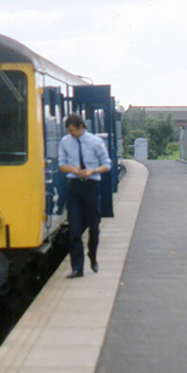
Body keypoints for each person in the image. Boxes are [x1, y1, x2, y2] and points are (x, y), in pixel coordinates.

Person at [58, 113, 112, 278]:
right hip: (74, 187)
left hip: (91, 186)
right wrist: (71, 169)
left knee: (94, 228)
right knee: (74, 230)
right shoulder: (65, 142)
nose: (70, 134)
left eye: (73, 130)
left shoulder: (95, 142)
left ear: (81, 127)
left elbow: (107, 164)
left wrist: (93, 170)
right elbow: (61, 164)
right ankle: (77, 268)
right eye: (69, 131)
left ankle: (92, 256)